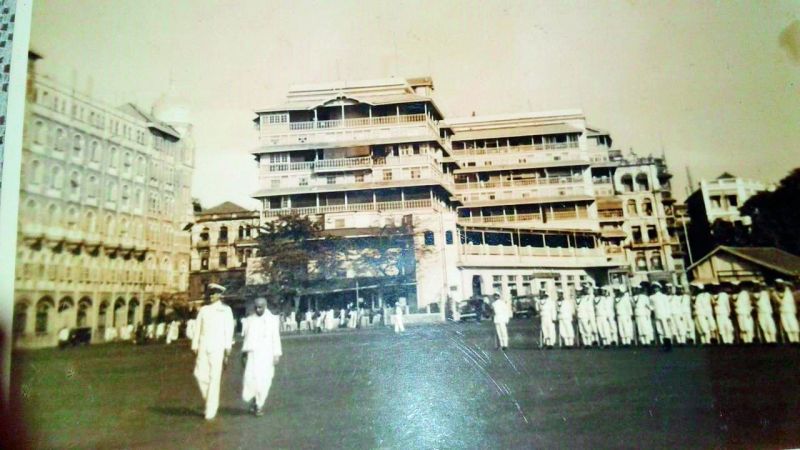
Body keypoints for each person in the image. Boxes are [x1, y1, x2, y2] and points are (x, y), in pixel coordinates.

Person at [191, 283, 235, 420]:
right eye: (210, 293)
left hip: (218, 347)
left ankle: (211, 409)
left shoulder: (226, 310)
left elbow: (229, 330)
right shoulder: (204, 310)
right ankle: (210, 399)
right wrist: (195, 345)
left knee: (215, 378)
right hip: (204, 346)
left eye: (214, 294)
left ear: (220, 295)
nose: (211, 296)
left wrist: (228, 348)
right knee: (199, 374)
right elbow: (198, 328)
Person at [241, 297, 282, 417]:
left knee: (265, 381)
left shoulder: (272, 320)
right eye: (256, 307)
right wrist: (244, 353)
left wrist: (276, 354)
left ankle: (259, 405)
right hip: (253, 355)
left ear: (265, 306)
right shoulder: (250, 320)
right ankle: (255, 400)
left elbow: (276, 338)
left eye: (260, 307)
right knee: (251, 379)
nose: (258, 309)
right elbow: (247, 338)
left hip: (267, 355)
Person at [650, 282, 674, 349]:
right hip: (657, 314)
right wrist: (648, 307)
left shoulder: (664, 296)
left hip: (664, 315)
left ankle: (668, 343)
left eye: (656, 288)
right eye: (654, 288)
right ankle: (663, 342)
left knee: (665, 329)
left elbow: (667, 306)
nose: (655, 289)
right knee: (659, 329)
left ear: (659, 288)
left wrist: (668, 315)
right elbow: (652, 307)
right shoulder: (651, 297)